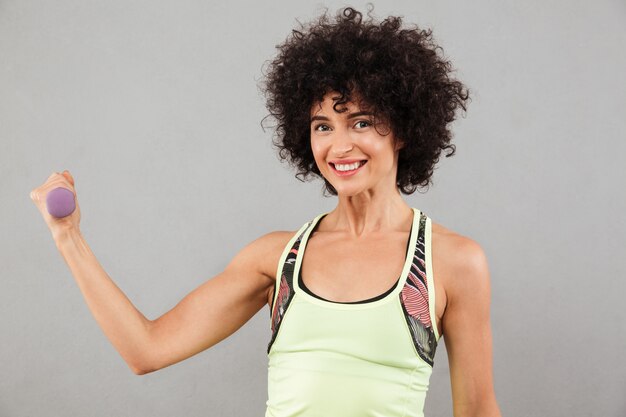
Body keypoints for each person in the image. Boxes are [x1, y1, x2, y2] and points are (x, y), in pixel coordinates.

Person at [29, 5, 501, 417]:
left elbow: (478, 410)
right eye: (322, 125)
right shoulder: (276, 258)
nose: (340, 145)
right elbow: (145, 349)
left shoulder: (452, 262)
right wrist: (68, 236)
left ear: (402, 130)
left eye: (361, 122)